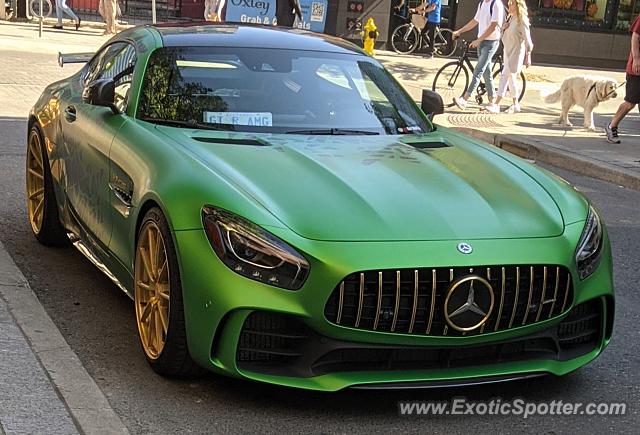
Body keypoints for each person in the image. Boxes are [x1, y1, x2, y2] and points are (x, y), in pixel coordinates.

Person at [451, 0, 504, 109]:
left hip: (491, 42)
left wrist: (478, 40)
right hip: (482, 41)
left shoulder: (496, 4)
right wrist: (460, 31)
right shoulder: (482, 3)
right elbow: (475, 21)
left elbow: (494, 25)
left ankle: (465, 99)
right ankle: (492, 100)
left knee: (479, 69)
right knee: (486, 71)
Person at [484, 0, 532, 113]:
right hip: (507, 50)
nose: (509, 6)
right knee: (511, 78)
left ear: (518, 6)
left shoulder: (522, 20)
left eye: (512, 4)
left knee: (505, 75)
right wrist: (503, 28)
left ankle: (497, 104)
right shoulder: (510, 18)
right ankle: (515, 104)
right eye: (509, 4)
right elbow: (504, 36)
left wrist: (528, 55)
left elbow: (528, 40)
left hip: (516, 52)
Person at [605, 14, 640, 143]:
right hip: (637, 70)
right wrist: (636, 59)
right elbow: (635, 36)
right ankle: (612, 125)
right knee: (630, 102)